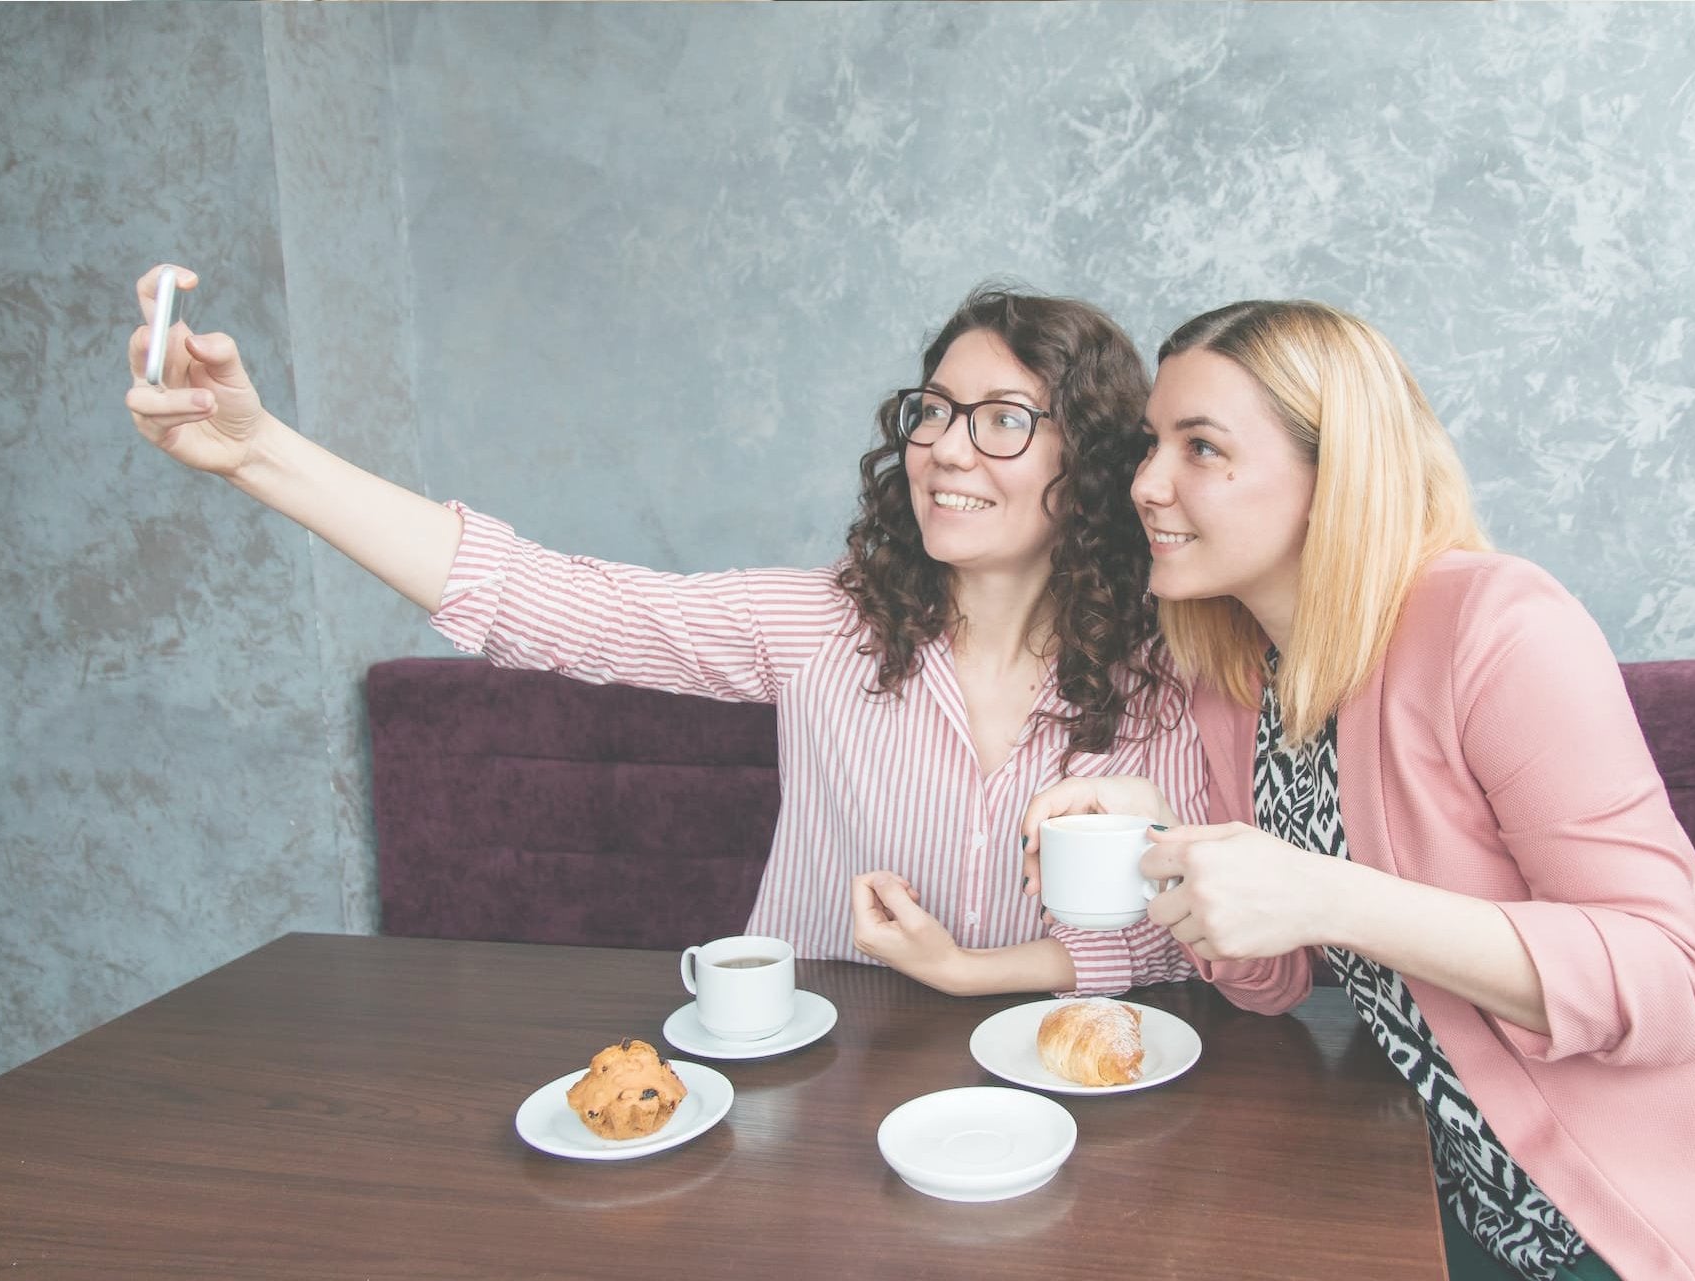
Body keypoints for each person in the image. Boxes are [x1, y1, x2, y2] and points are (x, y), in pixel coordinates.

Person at [1022, 300, 1695, 1279]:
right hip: (1486, 1205)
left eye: (1202, 448)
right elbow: (1273, 986)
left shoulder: (1495, 623)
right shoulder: (1239, 681)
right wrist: (1169, 851)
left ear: (1334, 475)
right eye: (1152, 444)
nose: (1146, 483)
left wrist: (1329, 895)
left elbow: (1671, 982)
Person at [124, 264, 1207, 998]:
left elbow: (1187, 934)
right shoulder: (820, 622)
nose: (947, 450)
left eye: (1004, 421)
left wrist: (975, 973)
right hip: (827, 1072)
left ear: (1096, 465)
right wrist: (259, 451)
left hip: (1075, 1077)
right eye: (932, 410)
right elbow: (542, 600)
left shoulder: (1170, 672)